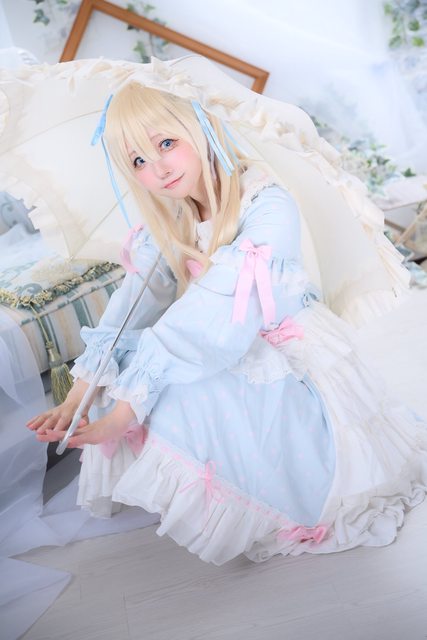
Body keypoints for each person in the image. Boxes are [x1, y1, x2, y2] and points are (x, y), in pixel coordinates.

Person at [27, 61, 427, 566]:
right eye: (139, 160)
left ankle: (280, 495)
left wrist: (126, 410)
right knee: (135, 364)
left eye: (167, 143)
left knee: (175, 383)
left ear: (200, 126)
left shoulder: (268, 204)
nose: (159, 169)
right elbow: (133, 304)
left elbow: (216, 309)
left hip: (282, 350)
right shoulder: (174, 217)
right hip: (219, 336)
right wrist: (81, 391)